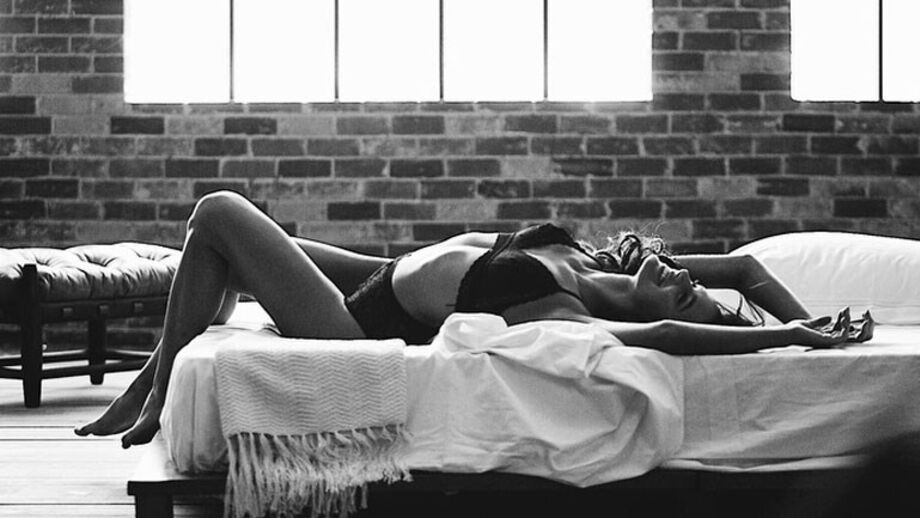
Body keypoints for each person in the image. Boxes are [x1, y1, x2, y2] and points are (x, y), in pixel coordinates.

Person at [74, 190, 873, 448]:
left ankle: (152, 391)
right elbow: (744, 269)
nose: (680, 275)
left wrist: (784, 339)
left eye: (682, 290)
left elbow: (668, 334)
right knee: (209, 245)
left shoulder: (569, 311)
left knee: (218, 212)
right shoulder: (604, 263)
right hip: (381, 271)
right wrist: (815, 319)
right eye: (686, 279)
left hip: (359, 322)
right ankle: (153, 378)